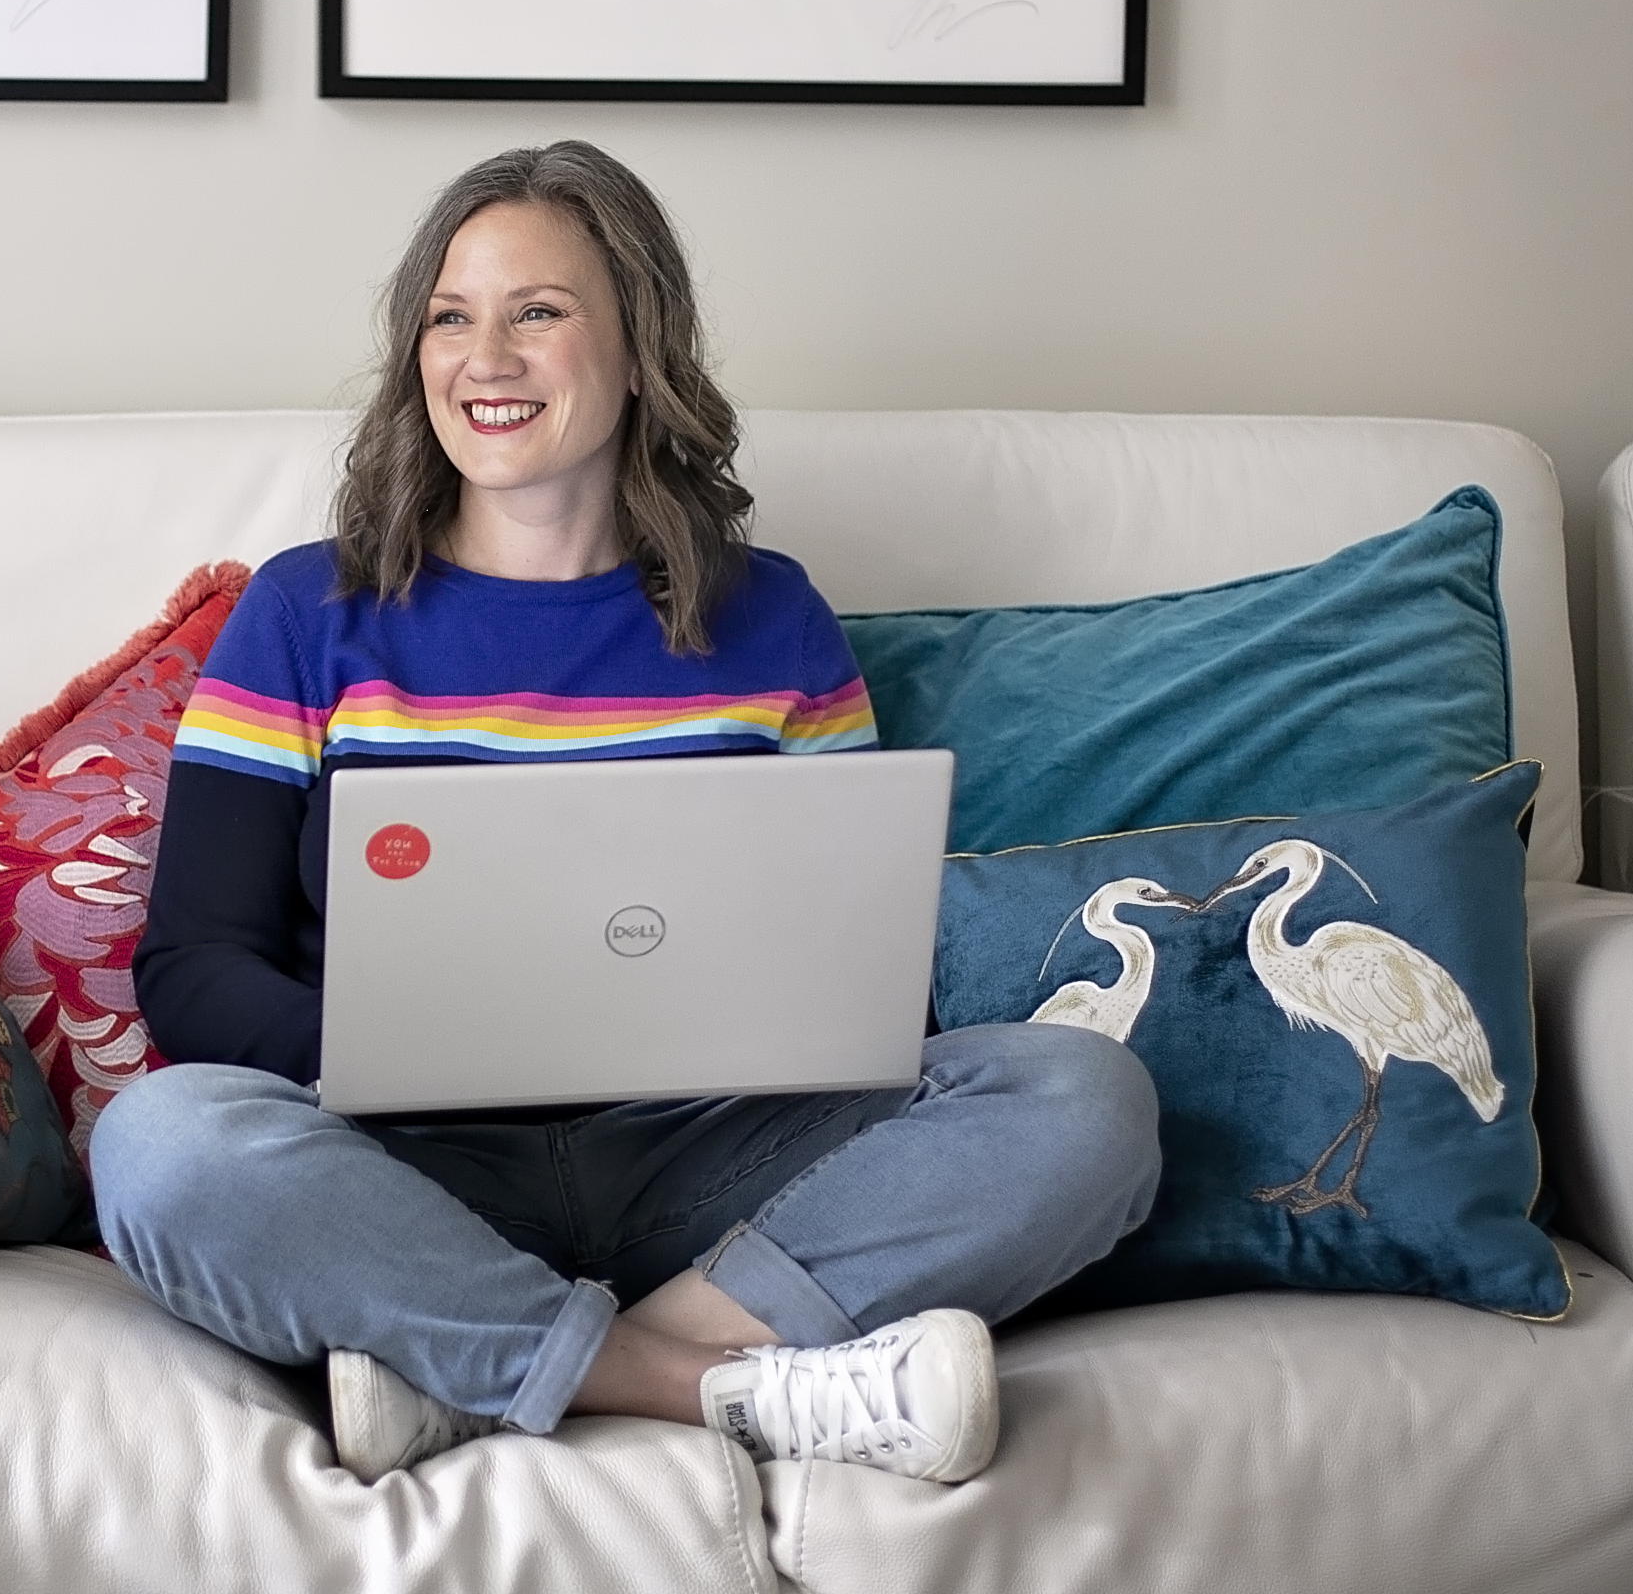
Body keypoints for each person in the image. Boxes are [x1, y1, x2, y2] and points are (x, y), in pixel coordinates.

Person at [94, 142, 1159, 1485]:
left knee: (1083, 1094)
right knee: (163, 1146)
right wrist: (399, 1046)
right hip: (404, 1174)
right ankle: (728, 1387)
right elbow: (191, 969)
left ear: (642, 349)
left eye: (537, 312)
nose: (485, 358)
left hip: (711, 1162)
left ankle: (487, 1371)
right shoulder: (310, 611)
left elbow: (866, 972)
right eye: (449, 317)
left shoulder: (771, 616)